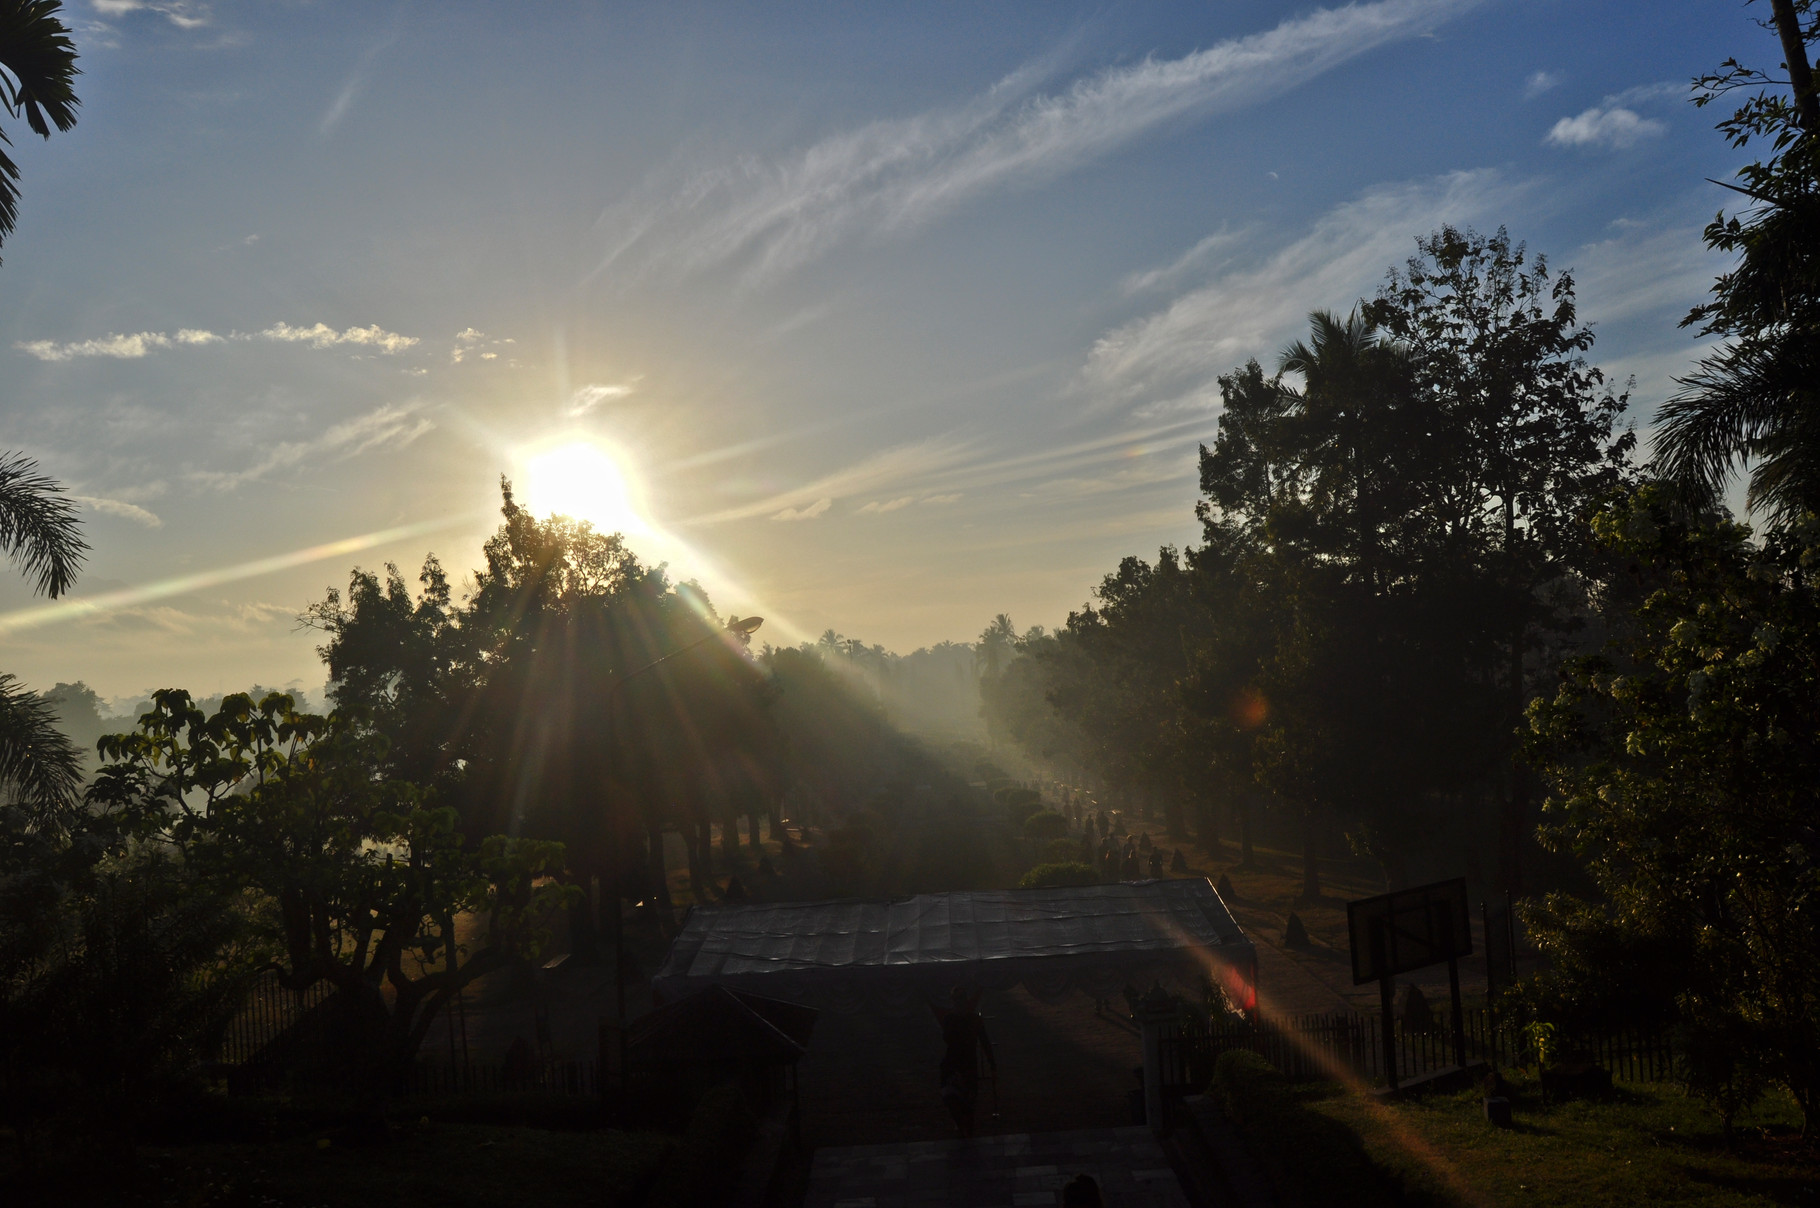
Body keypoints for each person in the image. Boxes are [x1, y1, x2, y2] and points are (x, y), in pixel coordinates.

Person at [931, 987, 996, 1137]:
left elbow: (984, 1041)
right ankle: (963, 1128)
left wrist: (992, 1062)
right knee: (954, 1098)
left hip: (964, 1064)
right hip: (956, 1064)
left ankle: (966, 1129)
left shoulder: (970, 1019)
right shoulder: (954, 1019)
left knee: (968, 1101)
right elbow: (949, 1039)